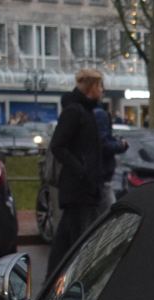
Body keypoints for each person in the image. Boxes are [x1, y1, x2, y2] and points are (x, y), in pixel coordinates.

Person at [48, 68, 105, 270]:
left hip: (84, 186)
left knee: (67, 240)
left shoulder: (86, 111)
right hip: (78, 187)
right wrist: (81, 170)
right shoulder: (75, 112)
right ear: (92, 87)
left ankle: (52, 281)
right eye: (100, 86)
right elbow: (58, 145)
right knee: (78, 241)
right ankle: (67, 283)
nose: (102, 91)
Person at [93, 102, 128, 216]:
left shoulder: (86, 112)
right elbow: (104, 144)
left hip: (94, 175)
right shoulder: (100, 114)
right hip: (102, 176)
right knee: (111, 216)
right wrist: (121, 145)